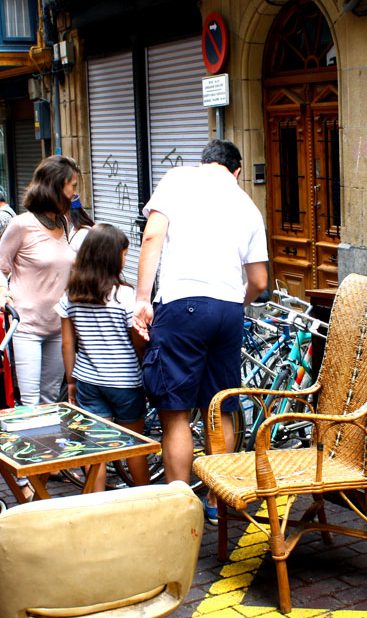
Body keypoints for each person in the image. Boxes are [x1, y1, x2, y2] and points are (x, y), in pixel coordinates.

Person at [133, 139, 268, 522]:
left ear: (204, 162)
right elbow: (258, 280)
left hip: (182, 305)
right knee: (219, 405)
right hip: (228, 310)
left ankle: (180, 509)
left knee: (175, 412)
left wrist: (142, 299)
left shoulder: (178, 178)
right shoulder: (247, 204)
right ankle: (216, 499)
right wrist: (231, 305)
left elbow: (151, 237)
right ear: (236, 171)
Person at [57, 224, 148, 491]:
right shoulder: (125, 295)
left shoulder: (71, 296)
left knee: (95, 449)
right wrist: (145, 372)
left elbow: (67, 343)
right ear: (112, 257)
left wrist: (71, 382)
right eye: (123, 253)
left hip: (88, 381)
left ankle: (96, 501)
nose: (125, 258)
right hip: (125, 382)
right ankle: (146, 496)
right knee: (134, 445)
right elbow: (138, 341)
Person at [0, 155, 78, 406]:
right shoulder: (21, 224)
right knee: (30, 402)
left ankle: (50, 444)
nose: (75, 193)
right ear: (56, 186)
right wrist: (2, 292)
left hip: (59, 325)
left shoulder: (65, 223)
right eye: (72, 186)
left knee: (50, 399)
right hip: (26, 325)